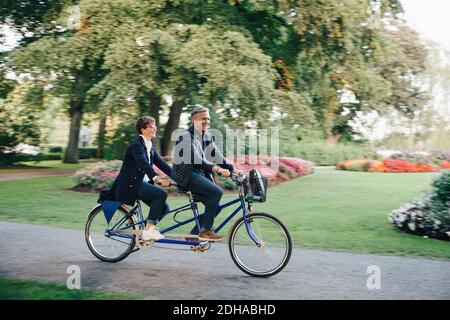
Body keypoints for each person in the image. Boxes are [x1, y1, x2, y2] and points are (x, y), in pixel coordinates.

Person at [173, 106, 234, 241]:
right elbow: (195, 159)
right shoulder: (185, 137)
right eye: (203, 118)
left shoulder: (206, 136)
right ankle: (206, 231)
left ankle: (193, 236)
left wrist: (233, 169)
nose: (207, 121)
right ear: (194, 120)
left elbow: (216, 156)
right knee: (216, 193)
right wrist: (217, 169)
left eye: (208, 119)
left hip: (198, 175)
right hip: (187, 176)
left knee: (215, 208)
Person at [109, 116, 174, 241]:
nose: (154, 128)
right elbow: (143, 163)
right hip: (131, 185)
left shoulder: (150, 147)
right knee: (160, 195)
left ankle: (143, 231)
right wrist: (156, 178)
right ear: (142, 129)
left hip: (141, 184)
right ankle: (148, 231)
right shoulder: (137, 146)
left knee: (164, 208)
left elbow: (163, 165)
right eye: (151, 126)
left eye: (154, 125)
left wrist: (180, 178)